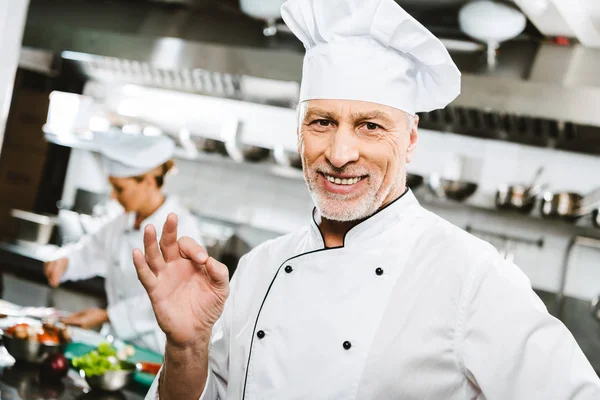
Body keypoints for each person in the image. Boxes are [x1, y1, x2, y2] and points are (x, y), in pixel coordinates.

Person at [135, 0, 600, 398]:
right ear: (297, 130)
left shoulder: (472, 279)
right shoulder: (259, 268)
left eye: (370, 126)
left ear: (411, 139)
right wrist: (186, 349)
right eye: (321, 122)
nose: (339, 154)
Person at [44, 134, 201, 354]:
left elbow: (174, 297)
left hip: (160, 352)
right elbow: (89, 251)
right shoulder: (121, 222)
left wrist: (108, 316)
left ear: (147, 180)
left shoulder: (182, 229)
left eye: (120, 189)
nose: (114, 197)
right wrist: (65, 261)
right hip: (118, 347)